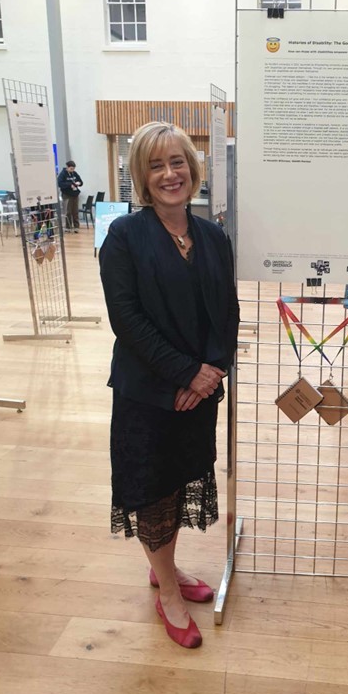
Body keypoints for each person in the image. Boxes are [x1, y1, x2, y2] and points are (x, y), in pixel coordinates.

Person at [99, 122, 239, 648]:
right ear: (142, 175)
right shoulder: (125, 237)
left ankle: (166, 568)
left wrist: (211, 370)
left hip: (200, 391)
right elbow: (127, 320)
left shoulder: (212, 235)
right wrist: (185, 372)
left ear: (193, 168)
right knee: (155, 489)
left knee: (180, 482)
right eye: (156, 165)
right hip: (149, 392)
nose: (169, 174)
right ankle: (169, 593)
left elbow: (227, 310)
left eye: (177, 162)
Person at [57, 160, 83, 233]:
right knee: (68, 212)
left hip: (75, 194)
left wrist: (79, 183)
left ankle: (76, 227)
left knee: (75, 211)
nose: (72, 170)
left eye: (73, 169)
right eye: (71, 169)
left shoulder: (74, 173)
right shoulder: (62, 174)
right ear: (67, 167)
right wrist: (69, 185)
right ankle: (68, 227)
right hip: (67, 195)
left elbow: (81, 182)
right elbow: (60, 184)